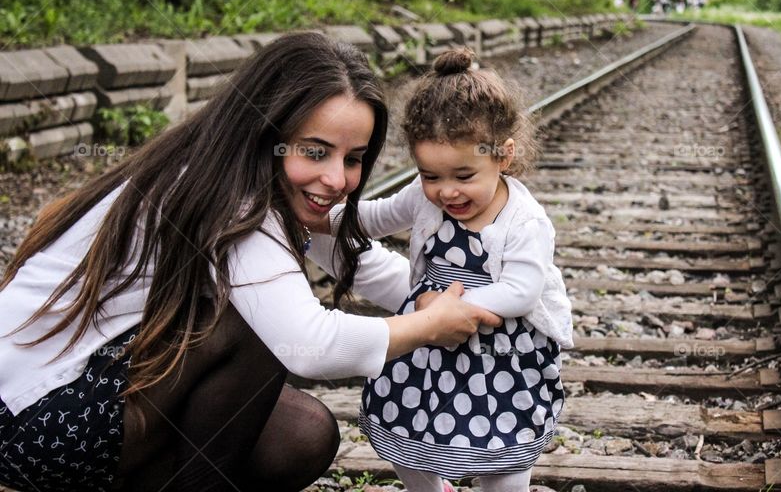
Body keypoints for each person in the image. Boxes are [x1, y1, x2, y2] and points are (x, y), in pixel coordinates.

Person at [0, 33, 500, 492]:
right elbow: (311, 345)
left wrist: (473, 299)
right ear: (266, 131)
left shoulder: (226, 173)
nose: (336, 178)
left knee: (301, 435)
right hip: (35, 417)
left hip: (71, 396)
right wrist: (427, 326)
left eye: (352, 159)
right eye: (315, 151)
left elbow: (358, 258)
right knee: (258, 327)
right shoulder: (236, 204)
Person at [321, 48, 573, 492]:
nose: (446, 192)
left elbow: (521, 292)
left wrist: (442, 306)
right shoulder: (424, 196)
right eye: (430, 175)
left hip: (502, 355)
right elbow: (375, 217)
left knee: (504, 456)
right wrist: (319, 219)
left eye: (463, 175)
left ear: (504, 156)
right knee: (407, 424)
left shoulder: (524, 221)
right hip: (427, 345)